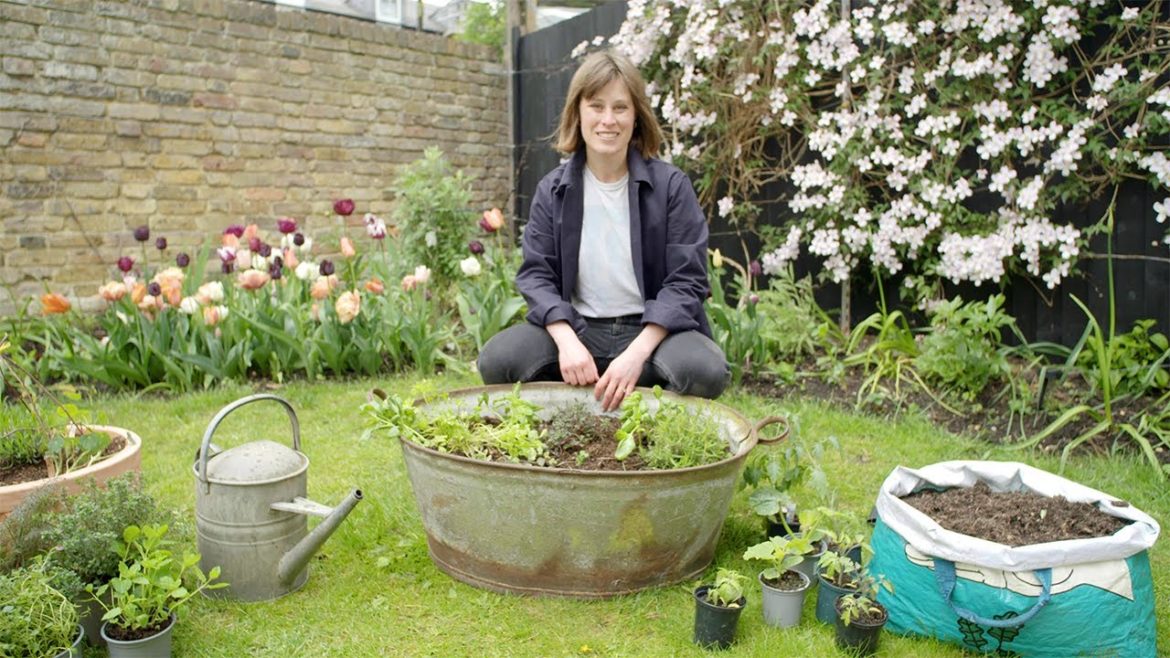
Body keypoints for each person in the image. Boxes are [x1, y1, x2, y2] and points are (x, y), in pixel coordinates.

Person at [477, 50, 730, 411]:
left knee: (705, 370)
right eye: (596, 106)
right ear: (577, 113)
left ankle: (640, 406)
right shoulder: (553, 190)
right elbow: (536, 275)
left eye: (620, 108)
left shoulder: (671, 186)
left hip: (653, 334)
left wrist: (635, 354)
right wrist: (565, 341)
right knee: (498, 360)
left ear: (636, 117)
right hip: (579, 329)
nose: (608, 120)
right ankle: (567, 408)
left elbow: (687, 280)